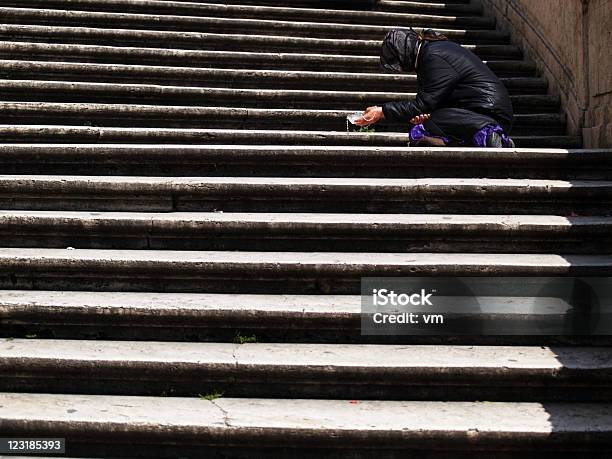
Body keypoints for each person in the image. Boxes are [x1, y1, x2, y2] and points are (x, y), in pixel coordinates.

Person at [354, 28, 515, 148]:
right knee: (425, 126)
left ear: (405, 53)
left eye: (399, 63)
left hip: (490, 113)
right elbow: (433, 102)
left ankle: (492, 137)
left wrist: (382, 111)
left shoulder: (433, 56)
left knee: (432, 122)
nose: (402, 68)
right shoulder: (431, 52)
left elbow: (423, 104)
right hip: (479, 110)